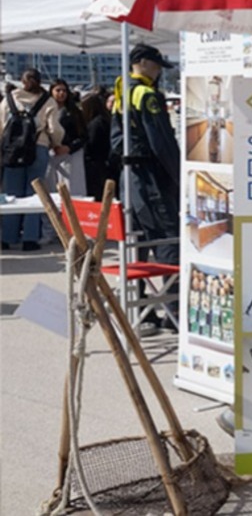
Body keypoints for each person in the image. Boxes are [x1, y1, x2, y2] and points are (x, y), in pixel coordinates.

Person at [112, 44, 182, 334]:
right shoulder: (147, 95)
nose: (158, 72)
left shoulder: (121, 93)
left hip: (130, 178)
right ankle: (173, 311)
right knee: (167, 239)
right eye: (156, 66)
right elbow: (162, 143)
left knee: (138, 242)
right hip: (152, 178)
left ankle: (143, 310)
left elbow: (116, 142)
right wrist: (181, 176)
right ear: (142, 63)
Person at [1, 68, 61, 251]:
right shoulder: (48, 101)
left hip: (12, 151)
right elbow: (55, 129)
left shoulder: (10, 98)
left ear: (22, 80)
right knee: (35, 194)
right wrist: (55, 143)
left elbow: (2, 125)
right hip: (38, 147)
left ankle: (7, 237)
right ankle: (30, 238)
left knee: (12, 194)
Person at [47, 79, 88, 197]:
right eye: (58, 90)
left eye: (64, 90)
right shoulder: (46, 110)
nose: (61, 93)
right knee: (51, 187)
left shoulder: (74, 112)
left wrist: (69, 147)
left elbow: (84, 136)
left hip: (70, 154)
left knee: (71, 187)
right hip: (50, 153)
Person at [80, 90, 114, 201]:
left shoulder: (95, 124)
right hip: (104, 163)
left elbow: (91, 144)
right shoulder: (104, 120)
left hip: (95, 164)